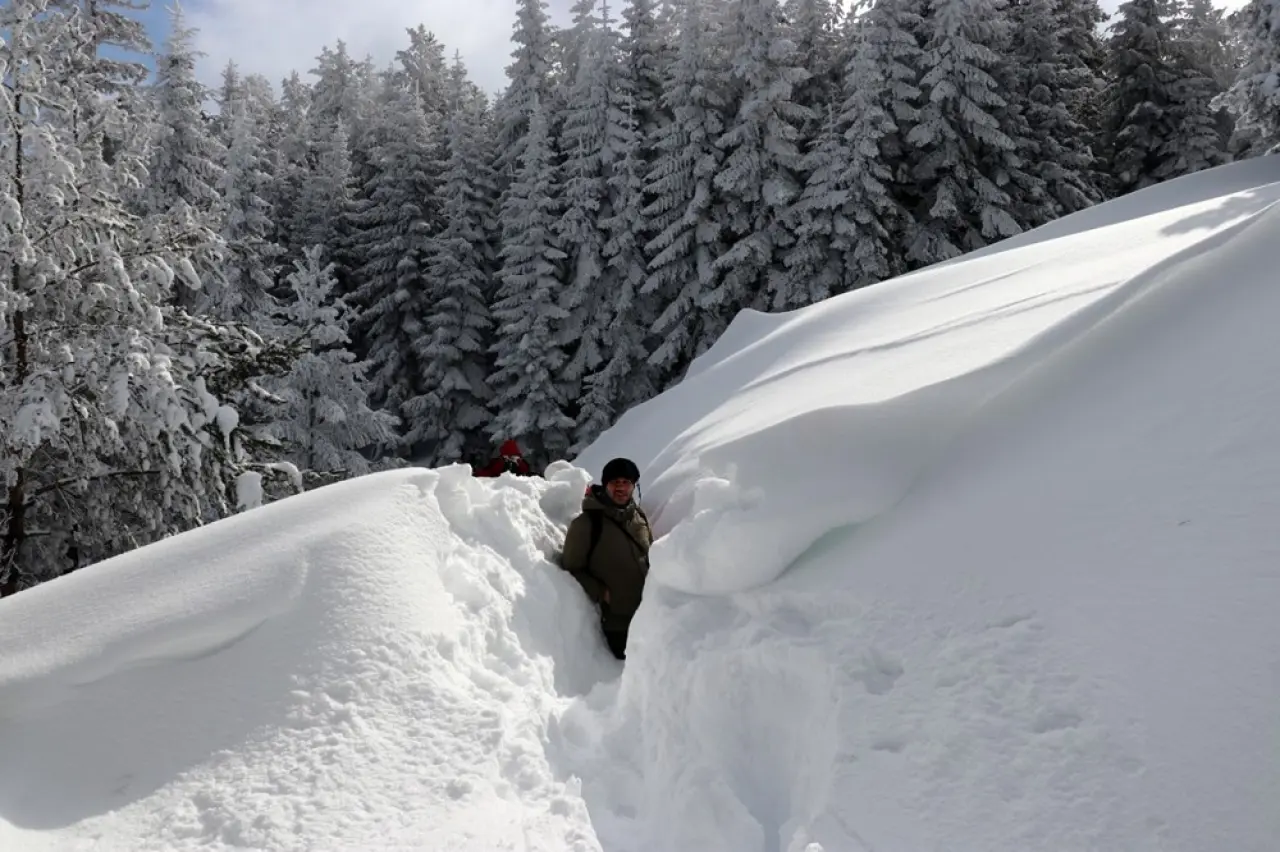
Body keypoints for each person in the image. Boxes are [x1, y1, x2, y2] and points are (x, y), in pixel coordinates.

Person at [559, 457, 652, 660]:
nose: (621, 488)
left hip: (650, 616)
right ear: (605, 484)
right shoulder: (586, 524)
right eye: (615, 482)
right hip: (617, 625)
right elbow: (571, 569)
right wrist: (602, 593)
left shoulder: (638, 517)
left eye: (626, 482)